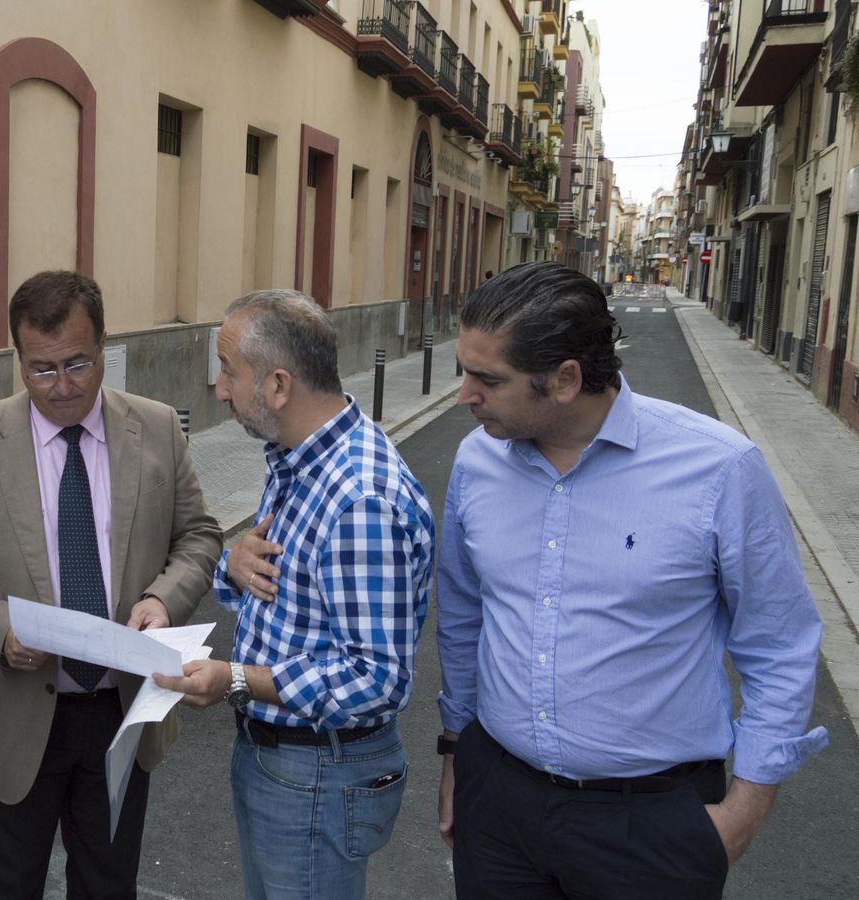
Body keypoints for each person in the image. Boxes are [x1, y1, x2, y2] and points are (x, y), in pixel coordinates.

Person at [435, 262, 829, 899]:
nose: (465, 396)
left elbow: (780, 645)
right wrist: (455, 753)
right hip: (498, 806)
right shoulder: (477, 459)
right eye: (464, 372)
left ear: (565, 379)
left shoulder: (720, 468)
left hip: (651, 824)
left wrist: (741, 815)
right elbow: (462, 612)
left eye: (488, 379)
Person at [0, 270, 222, 899]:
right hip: (15, 704)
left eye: (79, 364)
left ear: (105, 345)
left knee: (108, 886)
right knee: (5, 885)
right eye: (42, 369)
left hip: (121, 709)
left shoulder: (159, 427)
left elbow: (198, 536)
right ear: (18, 359)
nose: (62, 387)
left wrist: (163, 600)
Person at [156, 289, 435, 900]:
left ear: (279, 385)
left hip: (317, 770)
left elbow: (375, 678)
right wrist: (232, 566)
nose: (220, 390)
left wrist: (234, 678)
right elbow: (290, 589)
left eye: (230, 372)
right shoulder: (299, 460)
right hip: (288, 761)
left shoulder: (358, 496)